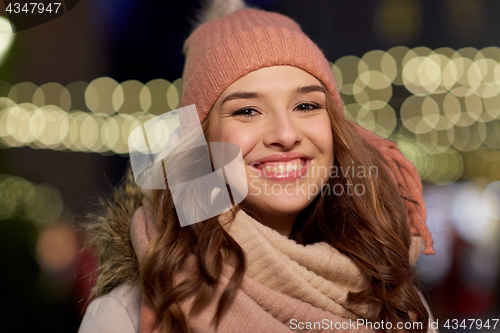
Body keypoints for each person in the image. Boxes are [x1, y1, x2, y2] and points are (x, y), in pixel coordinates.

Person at [78, 1, 436, 332]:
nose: (285, 134)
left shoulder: (397, 301)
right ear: (199, 144)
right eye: (247, 111)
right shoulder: (125, 314)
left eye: (306, 106)